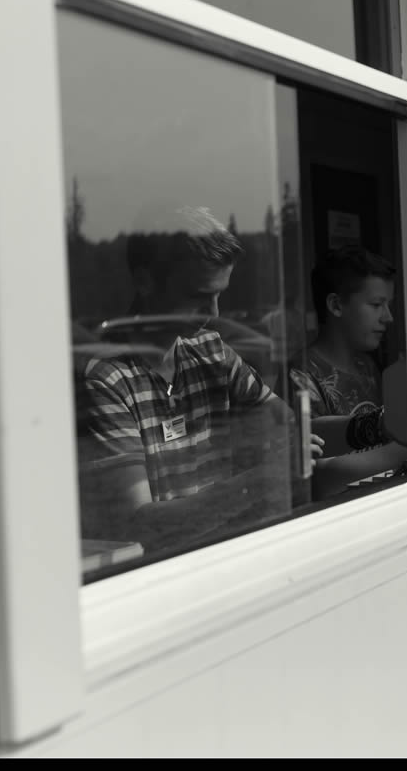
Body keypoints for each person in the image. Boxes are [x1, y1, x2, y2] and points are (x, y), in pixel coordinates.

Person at [76, 206, 322, 553]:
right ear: (145, 281)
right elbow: (140, 525)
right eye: (199, 297)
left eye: (220, 295)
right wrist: (258, 482)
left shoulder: (211, 351)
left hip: (220, 554)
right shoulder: (106, 379)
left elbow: (286, 424)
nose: (215, 313)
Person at [288, 245, 407, 497]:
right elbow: (317, 479)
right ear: (335, 305)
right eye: (377, 304)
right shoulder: (301, 377)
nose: (388, 317)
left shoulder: (367, 366)